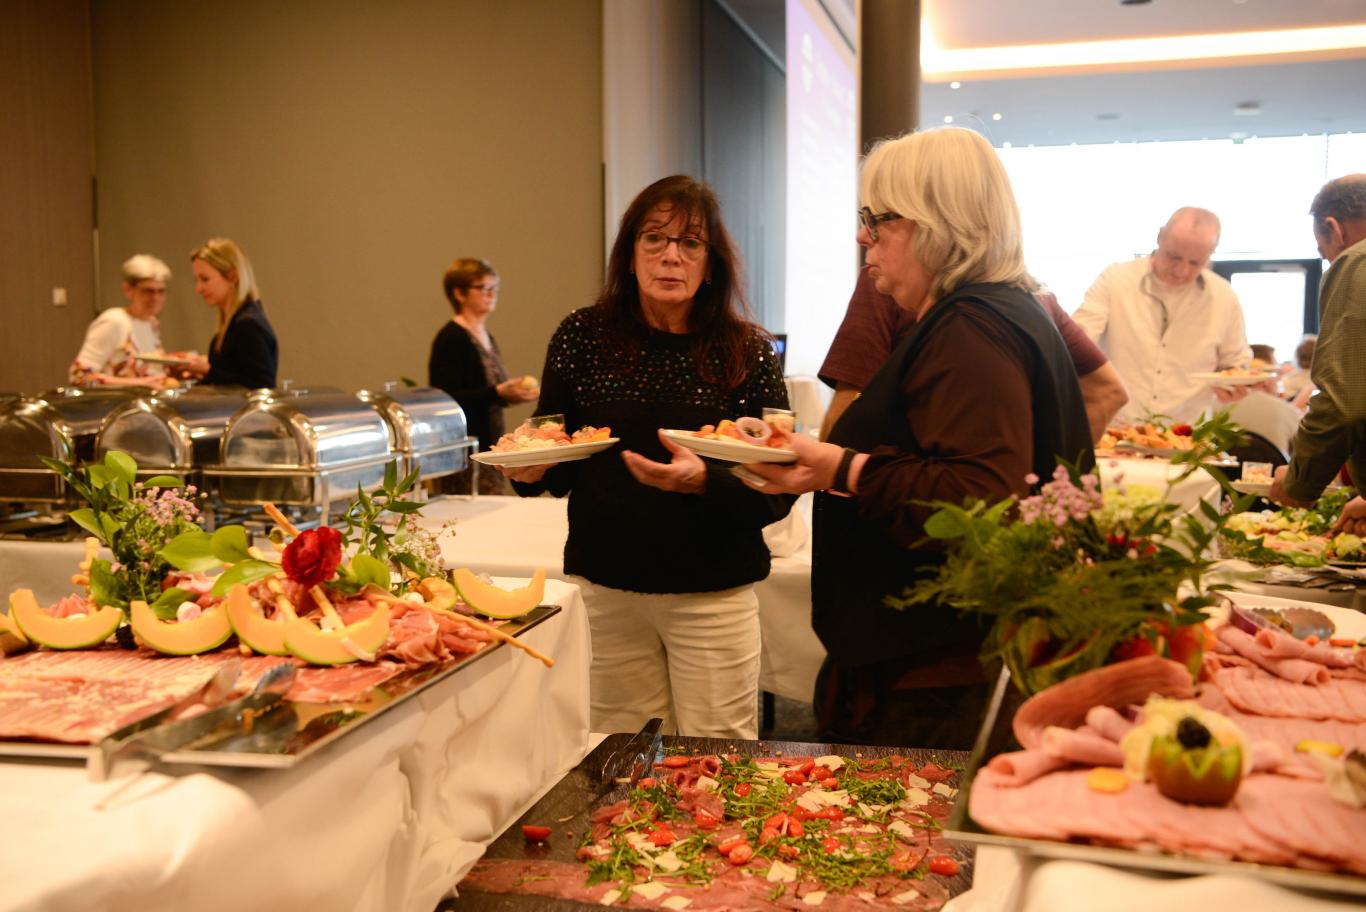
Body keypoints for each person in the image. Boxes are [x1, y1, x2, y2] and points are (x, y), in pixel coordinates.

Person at [746, 128, 1094, 749]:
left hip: (935, 677)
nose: (864, 238)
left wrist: (841, 468)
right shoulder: (1001, 312)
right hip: (948, 659)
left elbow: (978, 496)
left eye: (877, 220)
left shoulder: (970, 328)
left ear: (936, 223)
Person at [502, 175, 794, 739]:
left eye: (690, 243)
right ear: (629, 254)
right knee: (618, 754)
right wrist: (529, 470)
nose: (670, 256)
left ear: (711, 264)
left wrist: (704, 481)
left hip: (713, 592)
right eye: (654, 238)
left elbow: (778, 487)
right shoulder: (582, 336)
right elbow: (553, 450)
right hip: (608, 586)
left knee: (718, 755)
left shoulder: (747, 351)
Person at [819, 267, 1128, 443]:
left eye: (878, 221)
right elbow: (1106, 392)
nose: (865, 236)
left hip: (908, 517)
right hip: (1002, 518)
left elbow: (844, 423)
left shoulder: (887, 283)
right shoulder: (1032, 296)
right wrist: (1050, 488)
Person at [1072, 207, 1251, 424]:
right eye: (1174, 257)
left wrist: (1235, 386)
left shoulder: (1223, 297)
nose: (1181, 271)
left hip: (1187, 433)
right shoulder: (1116, 279)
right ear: (1160, 237)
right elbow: (1080, 337)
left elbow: (1236, 363)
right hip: (1117, 427)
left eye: (1195, 263)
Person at [1268, 175, 1366, 530]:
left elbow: (1344, 402)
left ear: (1333, 228)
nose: (1328, 261)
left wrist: (1299, 482)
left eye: (1323, 252)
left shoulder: (1356, 261)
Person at [428, 258, 538, 495]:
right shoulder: (452, 338)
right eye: (483, 288)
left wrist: (510, 395)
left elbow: (487, 392)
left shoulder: (485, 334)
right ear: (459, 293)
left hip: (488, 444)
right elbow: (446, 400)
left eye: (495, 288)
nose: (492, 294)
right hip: (465, 452)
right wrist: (497, 392)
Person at [179, 238, 277, 389]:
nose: (198, 289)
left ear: (232, 276)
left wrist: (208, 370)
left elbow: (261, 385)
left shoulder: (248, 324)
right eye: (197, 280)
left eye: (205, 279)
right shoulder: (234, 322)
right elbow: (231, 377)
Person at [69, 254, 173, 388]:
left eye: (161, 291)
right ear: (128, 290)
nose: (156, 298)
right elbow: (78, 376)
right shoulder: (114, 321)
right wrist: (139, 383)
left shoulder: (152, 323)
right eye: (148, 291)